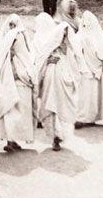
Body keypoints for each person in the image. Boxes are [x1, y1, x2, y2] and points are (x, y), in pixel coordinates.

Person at [33, 12, 83, 151]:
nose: (65, 40)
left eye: (67, 37)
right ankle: (55, 136)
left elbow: (76, 65)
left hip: (64, 80)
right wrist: (48, 62)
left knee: (62, 106)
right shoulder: (49, 47)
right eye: (64, 36)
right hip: (51, 78)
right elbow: (38, 60)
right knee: (51, 105)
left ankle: (60, 135)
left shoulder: (70, 51)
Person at [0, 14, 37, 150]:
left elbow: (24, 55)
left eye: (14, 25)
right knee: (10, 108)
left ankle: (13, 140)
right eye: (10, 25)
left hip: (20, 76)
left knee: (21, 110)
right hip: (9, 77)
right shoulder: (10, 37)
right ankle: (10, 140)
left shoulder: (19, 35)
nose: (12, 27)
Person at [77, 11, 103, 125]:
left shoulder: (80, 35)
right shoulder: (96, 36)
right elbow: (102, 54)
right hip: (95, 70)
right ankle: (93, 117)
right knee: (95, 94)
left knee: (86, 95)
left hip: (85, 70)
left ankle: (84, 117)